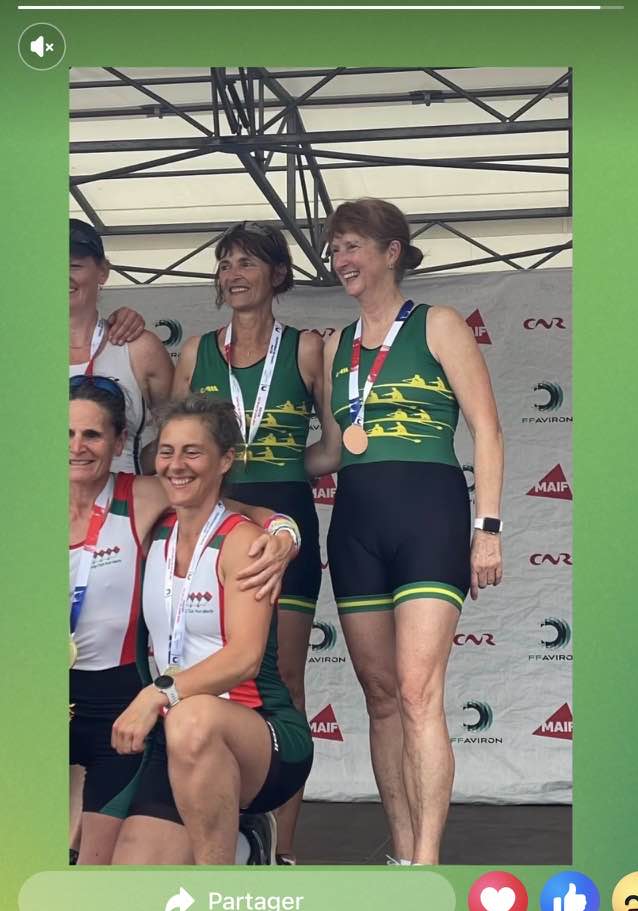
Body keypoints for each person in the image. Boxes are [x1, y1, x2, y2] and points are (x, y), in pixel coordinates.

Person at [306, 198, 504, 866]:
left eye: (353, 246)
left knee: (419, 691)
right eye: (335, 250)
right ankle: (398, 857)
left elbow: (489, 430)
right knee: (382, 696)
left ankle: (427, 863)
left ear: (393, 251)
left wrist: (489, 528)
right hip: (357, 523)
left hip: (430, 518)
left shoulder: (439, 325)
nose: (341, 261)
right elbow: (333, 451)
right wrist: (251, 472)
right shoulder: (335, 345)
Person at [69, 378, 299, 865]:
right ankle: (240, 842)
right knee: (123, 891)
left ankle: (224, 880)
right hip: (170, 730)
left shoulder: (239, 542)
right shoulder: (161, 529)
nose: (176, 465)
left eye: (192, 452)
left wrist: (284, 531)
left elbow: (244, 658)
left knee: (192, 718)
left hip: (249, 724)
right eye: (167, 451)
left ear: (225, 460)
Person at [172, 222, 328, 864]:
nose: (233, 274)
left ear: (277, 275)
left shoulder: (308, 348)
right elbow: (183, 445)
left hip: (283, 521)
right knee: (206, 669)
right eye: (224, 264)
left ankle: (278, 847)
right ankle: (217, 829)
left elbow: (338, 443)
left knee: (281, 680)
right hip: (214, 523)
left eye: (247, 263)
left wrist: (288, 472)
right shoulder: (196, 353)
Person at [70, 218, 175, 473]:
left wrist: (144, 481)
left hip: (124, 507)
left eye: (74, 266)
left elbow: (182, 432)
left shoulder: (140, 348)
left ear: (103, 272)